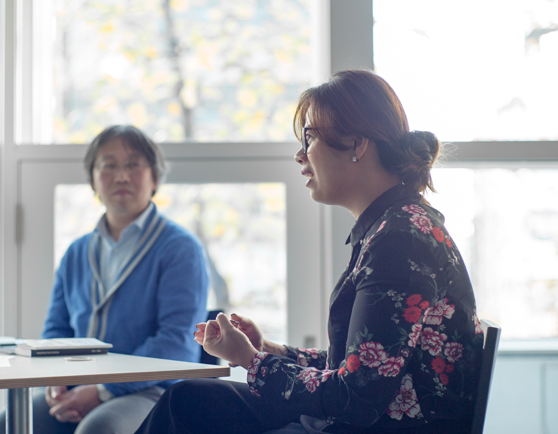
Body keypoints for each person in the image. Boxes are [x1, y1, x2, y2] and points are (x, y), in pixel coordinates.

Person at [134, 70, 484, 434]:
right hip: (362, 419)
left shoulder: (400, 238)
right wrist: (268, 350)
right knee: (187, 400)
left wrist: (250, 361)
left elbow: (358, 396)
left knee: (187, 408)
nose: (300, 155)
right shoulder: (392, 225)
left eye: (310, 138)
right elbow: (357, 367)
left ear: (356, 144)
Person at [0, 125, 209, 434]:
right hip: (79, 386)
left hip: (153, 390)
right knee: (2, 425)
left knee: (100, 428)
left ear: (154, 177)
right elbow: (56, 331)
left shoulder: (180, 249)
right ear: (93, 180)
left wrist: (104, 390)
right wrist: (55, 380)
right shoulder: (77, 252)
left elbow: (176, 343)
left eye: (133, 164)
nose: (121, 176)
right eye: (108, 166)